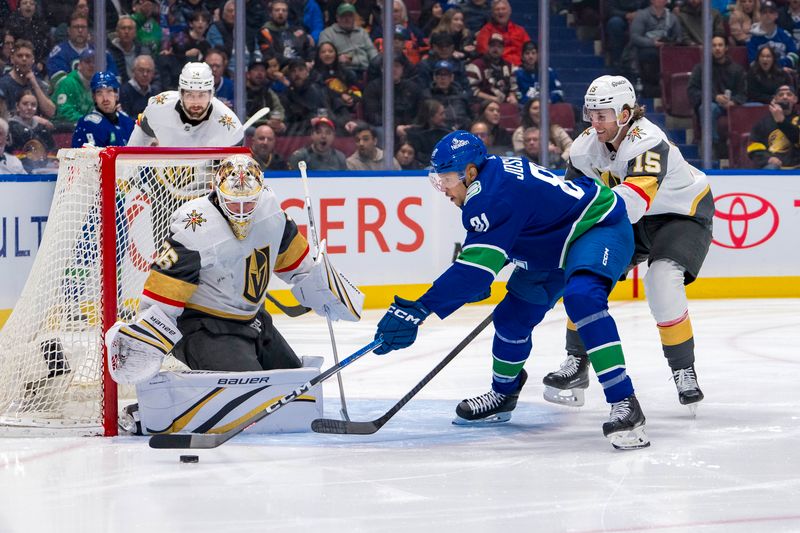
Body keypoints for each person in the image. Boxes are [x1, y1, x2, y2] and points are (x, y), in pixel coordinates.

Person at [372, 130, 649, 450]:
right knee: (511, 319)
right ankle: (503, 394)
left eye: (447, 179)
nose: (444, 190)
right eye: (439, 180)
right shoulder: (490, 180)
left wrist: (419, 307)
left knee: (583, 298)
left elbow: (476, 273)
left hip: (598, 226)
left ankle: (624, 402)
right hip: (551, 245)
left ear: (471, 172)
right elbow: (503, 244)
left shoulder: (490, 196)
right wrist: (464, 286)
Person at [106, 154, 363, 432]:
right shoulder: (194, 226)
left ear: (261, 192)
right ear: (217, 192)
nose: (241, 210)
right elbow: (163, 293)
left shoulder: (273, 213)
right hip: (203, 327)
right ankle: (148, 412)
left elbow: (297, 266)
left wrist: (323, 290)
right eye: (233, 202)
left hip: (255, 322)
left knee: (296, 391)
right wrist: (147, 337)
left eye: (249, 202)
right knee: (250, 399)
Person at [542, 75, 713, 413]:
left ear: (624, 113)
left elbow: (632, 204)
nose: (594, 122)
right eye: (590, 114)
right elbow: (571, 202)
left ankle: (683, 368)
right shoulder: (583, 148)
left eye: (601, 114)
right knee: (583, 275)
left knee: (662, 279)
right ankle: (576, 361)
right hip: (626, 214)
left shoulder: (648, 140)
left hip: (681, 214)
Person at [127, 62, 244, 147]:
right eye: (189, 95)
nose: (196, 102)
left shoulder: (229, 125)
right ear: (181, 94)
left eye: (202, 95)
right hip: (162, 179)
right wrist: (124, 177)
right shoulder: (159, 107)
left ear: (211, 94)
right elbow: (136, 144)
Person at [688, 36, 747, 156]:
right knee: (708, 108)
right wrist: (714, 97)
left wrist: (734, 102)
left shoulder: (737, 70)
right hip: (712, 106)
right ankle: (712, 146)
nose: (717, 48)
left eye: (720, 45)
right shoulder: (701, 69)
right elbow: (692, 91)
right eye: (714, 45)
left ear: (726, 48)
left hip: (734, 107)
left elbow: (744, 93)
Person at [628, 0, 684, 97]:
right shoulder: (642, 15)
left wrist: (669, 42)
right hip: (647, 50)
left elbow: (679, 37)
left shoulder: (672, 17)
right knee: (649, 54)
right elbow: (635, 37)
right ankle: (650, 87)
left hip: (666, 50)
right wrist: (652, 43)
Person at [72, 71, 136, 148]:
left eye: (109, 91)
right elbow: (93, 158)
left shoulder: (127, 121)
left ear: (116, 95)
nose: (105, 99)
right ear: (94, 97)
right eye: (99, 93)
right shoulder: (88, 124)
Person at [318, 3, 379, 78]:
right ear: (337, 18)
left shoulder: (362, 32)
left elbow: (371, 51)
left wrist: (378, 62)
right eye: (343, 16)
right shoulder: (327, 34)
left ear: (354, 17)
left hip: (366, 70)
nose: (347, 19)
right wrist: (337, 59)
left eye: (350, 16)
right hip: (343, 72)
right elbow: (323, 56)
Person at [747, 84, 800, 169]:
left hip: (797, 166)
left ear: (795, 99)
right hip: (773, 166)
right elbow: (754, 147)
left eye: (789, 94)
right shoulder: (762, 123)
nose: (785, 97)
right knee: (771, 168)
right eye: (781, 95)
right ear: (775, 99)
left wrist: (782, 122)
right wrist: (768, 158)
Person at [0, 39, 55, 119]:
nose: (24, 59)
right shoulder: (3, 84)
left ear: (33, 60)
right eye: (20, 56)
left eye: (28, 56)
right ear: (12, 59)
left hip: (36, 130)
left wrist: (35, 85)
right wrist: (33, 119)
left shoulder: (38, 83)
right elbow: (3, 117)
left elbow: (51, 112)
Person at [512, 97, 573, 165]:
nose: (539, 111)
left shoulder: (556, 130)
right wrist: (545, 150)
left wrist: (559, 160)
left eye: (542, 108)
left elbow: (571, 147)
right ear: (528, 112)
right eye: (535, 108)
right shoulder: (520, 132)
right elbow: (521, 154)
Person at [7, 90, 56, 173]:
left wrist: (54, 162)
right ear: (17, 106)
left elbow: (52, 152)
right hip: (16, 172)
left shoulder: (43, 129)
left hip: (42, 171)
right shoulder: (9, 128)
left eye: (33, 105)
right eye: (25, 104)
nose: (29, 107)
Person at [466, 32, 518, 106]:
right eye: (493, 46)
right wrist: (492, 99)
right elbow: (471, 90)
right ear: (488, 47)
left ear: (503, 49)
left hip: (504, 104)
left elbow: (513, 88)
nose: (495, 49)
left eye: (499, 46)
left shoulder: (509, 66)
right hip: (483, 105)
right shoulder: (476, 65)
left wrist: (512, 96)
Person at [474, 0, 530, 66]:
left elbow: (529, 49)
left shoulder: (520, 30)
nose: (500, 12)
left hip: (521, 68)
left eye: (503, 9)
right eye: (497, 9)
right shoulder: (486, 31)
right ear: (492, 13)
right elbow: (484, 52)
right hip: (499, 69)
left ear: (509, 12)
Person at [51, 48, 96, 126]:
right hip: (62, 130)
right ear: (79, 65)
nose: (91, 65)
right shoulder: (67, 83)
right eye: (88, 62)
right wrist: (87, 120)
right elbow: (63, 111)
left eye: (94, 62)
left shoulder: (96, 85)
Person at [748, 0, 798, 68]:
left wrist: (779, 66)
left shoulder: (785, 35)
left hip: (783, 74)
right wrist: (773, 68)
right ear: (760, 15)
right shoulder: (753, 38)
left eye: (771, 12)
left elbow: (794, 56)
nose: (768, 15)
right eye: (764, 12)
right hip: (762, 75)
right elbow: (752, 62)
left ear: (776, 15)